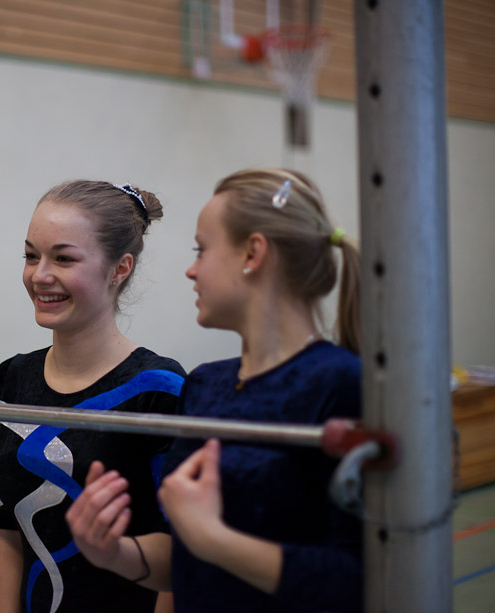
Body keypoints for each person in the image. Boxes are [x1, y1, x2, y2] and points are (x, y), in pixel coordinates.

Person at [66, 168, 363, 612]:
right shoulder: (206, 384)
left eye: (201, 250)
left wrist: (214, 539)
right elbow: (186, 560)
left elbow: (360, 581)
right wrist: (114, 552)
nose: (191, 270)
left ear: (253, 253)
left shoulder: (341, 383)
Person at [0, 180, 187, 613]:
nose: (40, 275)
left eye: (63, 258)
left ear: (119, 269)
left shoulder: (158, 389)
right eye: (31, 256)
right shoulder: (10, 380)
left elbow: (181, 549)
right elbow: (6, 528)